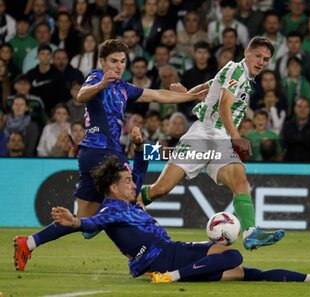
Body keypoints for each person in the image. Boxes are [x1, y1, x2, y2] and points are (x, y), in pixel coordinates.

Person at [13, 38, 206, 272]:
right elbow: (81, 96)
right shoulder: (96, 77)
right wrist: (101, 84)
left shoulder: (124, 87)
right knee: (133, 200)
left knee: (82, 222)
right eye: (113, 61)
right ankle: (155, 258)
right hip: (105, 152)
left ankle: (29, 243)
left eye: (123, 61)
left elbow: (156, 94)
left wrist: (190, 96)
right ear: (102, 61)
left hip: (90, 155)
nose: (118, 66)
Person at [50, 154, 310, 284]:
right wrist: (75, 222)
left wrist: (139, 147)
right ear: (113, 187)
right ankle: (173, 278)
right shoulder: (111, 210)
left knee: (241, 271)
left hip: (173, 251)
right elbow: (90, 224)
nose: (134, 185)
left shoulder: (129, 201)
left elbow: (138, 170)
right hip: (161, 261)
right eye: (126, 182)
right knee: (234, 258)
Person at [141, 36, 285, 251]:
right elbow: (223, 107)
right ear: (247, 52)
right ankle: (119, 206)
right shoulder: (236, 71)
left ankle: (250, 232)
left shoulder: (241, 77)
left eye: (266, 59)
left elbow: (209, 87)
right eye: (258, 56)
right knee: (161, 189)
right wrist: (236, 136)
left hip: (221, 139)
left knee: (240, 180)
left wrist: (187, 94)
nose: (261, 62)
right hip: (203, 134)